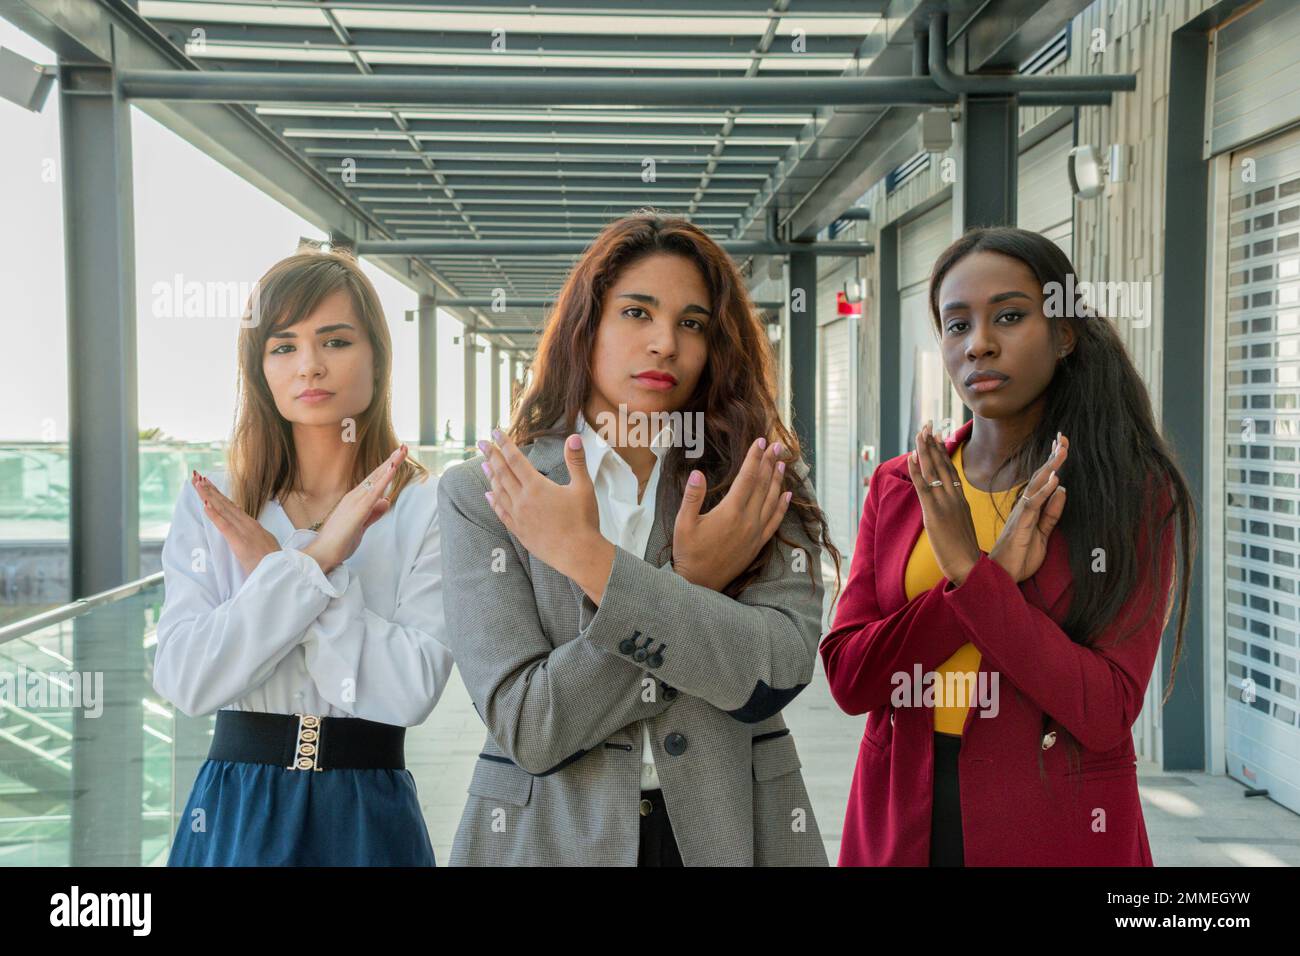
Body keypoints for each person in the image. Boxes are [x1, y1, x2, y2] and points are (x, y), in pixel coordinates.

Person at [438, 211, 839, 866]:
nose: (664, 344)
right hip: (550, 837)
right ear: (586, 326)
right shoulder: (488, 494)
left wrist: (593, 564)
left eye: (692, 323)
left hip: (735, 829)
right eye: (636, 313)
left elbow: (779, 667)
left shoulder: (754, 478)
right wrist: (690, 587)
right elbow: (532, 727)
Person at [821, 226, 1197, 866]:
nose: (979, 344)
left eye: (1010, 316)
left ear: (1065, 333)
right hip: (902, 811)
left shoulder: (1130, 492)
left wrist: (973, 574)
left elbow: (1104, 709)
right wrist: (979, 581)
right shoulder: (901, 484)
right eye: (955, 324)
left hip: (1053, 823)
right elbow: (852, 677)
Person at [154, 249, 454, 866]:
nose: (310, 366)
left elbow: (411, 690)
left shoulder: (426, 507)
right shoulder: (216, 503)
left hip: (368, 805)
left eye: (336, 341)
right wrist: (313, 560)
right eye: (283, 346)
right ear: (259, 367)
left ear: (376, 356)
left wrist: (281, 572)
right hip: (237, 806)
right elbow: (187, 679)